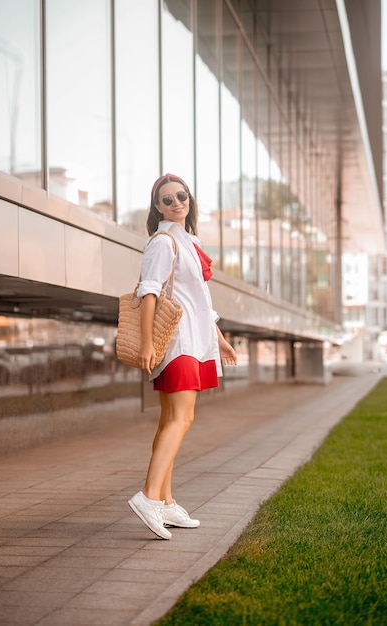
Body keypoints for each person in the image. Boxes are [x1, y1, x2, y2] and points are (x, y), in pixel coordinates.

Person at [128, 173, 237, 540]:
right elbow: (149, 293)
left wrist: (218, 338)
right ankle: (148, 497)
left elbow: (198, 302)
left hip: (195, 340)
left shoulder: (188, 241)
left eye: (181, 196)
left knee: (169, 421)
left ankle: (166, 500)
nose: (177, 202)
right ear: (157, 206)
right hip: (178, 344)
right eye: (168, 199)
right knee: (182, 418)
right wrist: (147, 342)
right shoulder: (162, 242)